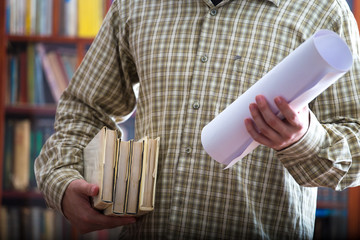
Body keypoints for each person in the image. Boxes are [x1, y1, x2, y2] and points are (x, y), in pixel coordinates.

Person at [35, 0, 360, 239]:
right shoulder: (134, 5)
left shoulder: (323, 11)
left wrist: (303, 138)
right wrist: (62, 182)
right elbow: (85, 109)